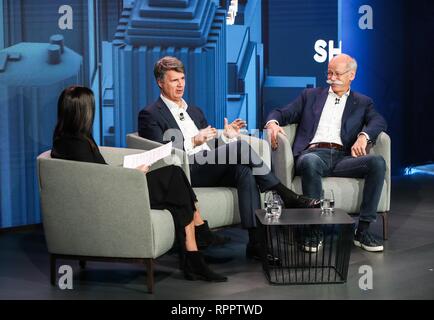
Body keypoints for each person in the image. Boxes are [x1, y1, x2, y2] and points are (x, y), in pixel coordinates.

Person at [138, 56, 320, 263]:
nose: (180, 85)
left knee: (245, 171)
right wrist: (193, 141)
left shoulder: (194, 111)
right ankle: (285, 194)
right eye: (174, 80)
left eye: (182, 79)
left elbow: (211, 147)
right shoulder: (150, 114)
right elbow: (160, 153)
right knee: (242, 148)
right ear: (160, 83)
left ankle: (256, 243)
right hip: (184, 171)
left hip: (207, 164)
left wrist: (225, 137)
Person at [51, 85, 227, 282]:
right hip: (118, 191)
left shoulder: (75, 137)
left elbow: (98, 172)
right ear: (81, 111)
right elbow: (94, 181)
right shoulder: (73, 143)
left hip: (119, 184)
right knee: (174, 176)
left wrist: (127, 170)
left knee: (176, 181)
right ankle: (197, 243)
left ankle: (194, 253)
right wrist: (131, 173)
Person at [265, 53, 387, 252]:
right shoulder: (311, 96)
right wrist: (272, 123)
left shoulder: (363, 102)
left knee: (377, 162)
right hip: (314, 153)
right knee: (310, 161)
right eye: (329, 73)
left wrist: (364, 136)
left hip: (344, 158)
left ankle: (362, 230)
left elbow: (379, 121)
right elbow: (282, 112)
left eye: (337, 74)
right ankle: (314, 230)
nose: (331, 78)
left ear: (351, 75)